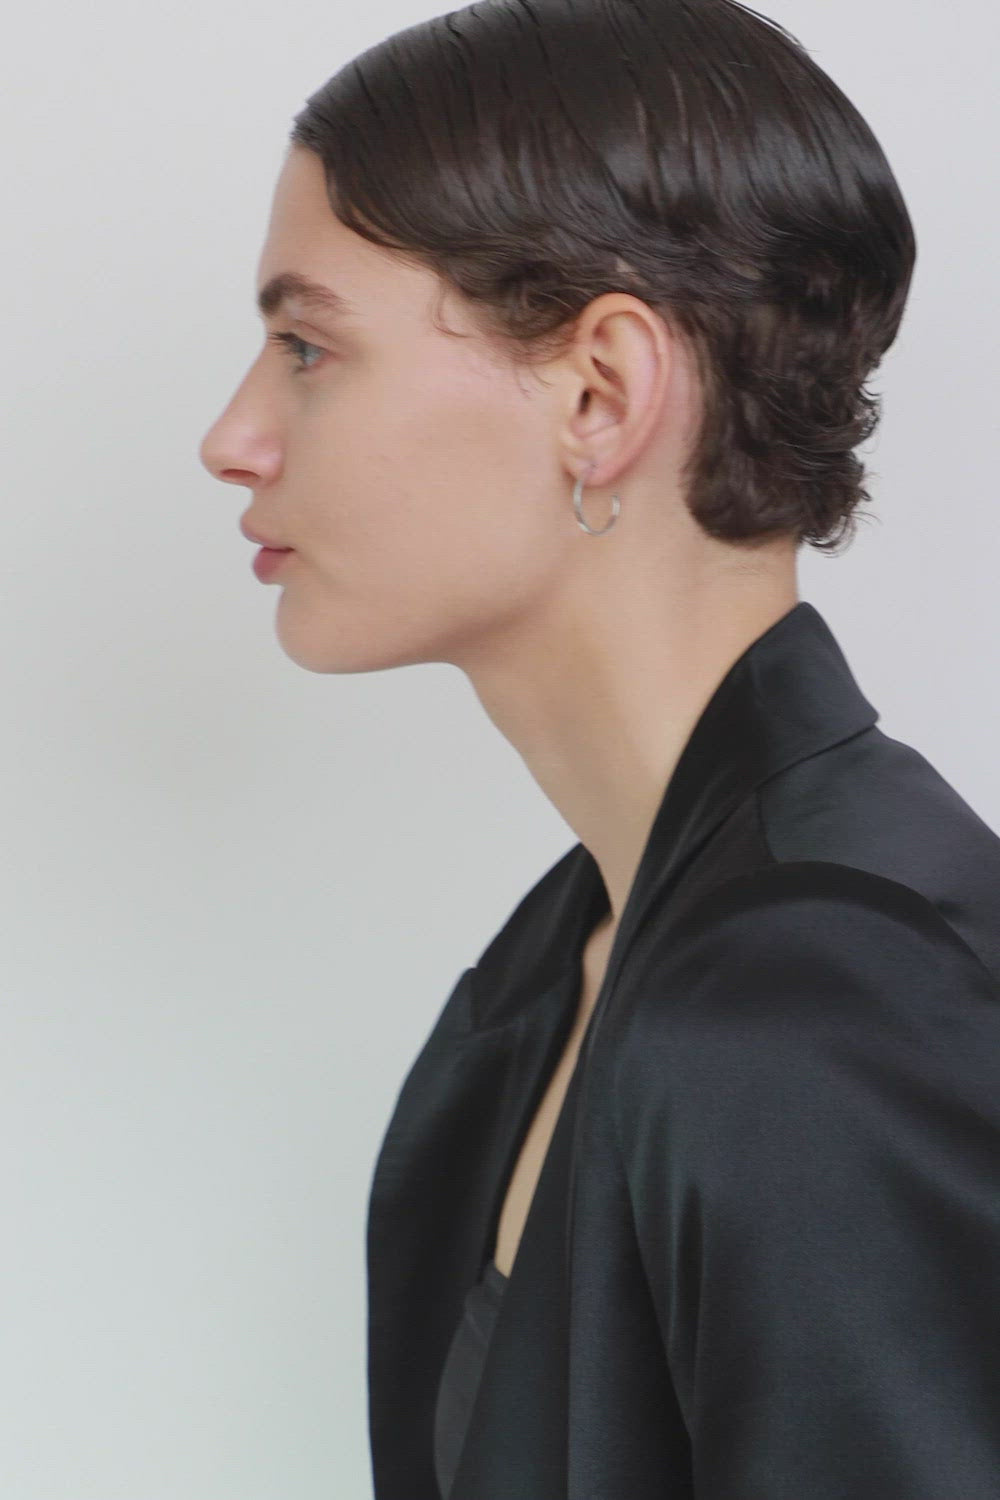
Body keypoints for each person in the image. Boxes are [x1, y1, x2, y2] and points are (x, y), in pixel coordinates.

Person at [199, 1, 1000, 1495]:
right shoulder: (573, 959)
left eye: (307, 347)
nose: (231, 438)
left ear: (600, 395)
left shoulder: (818, 1018)